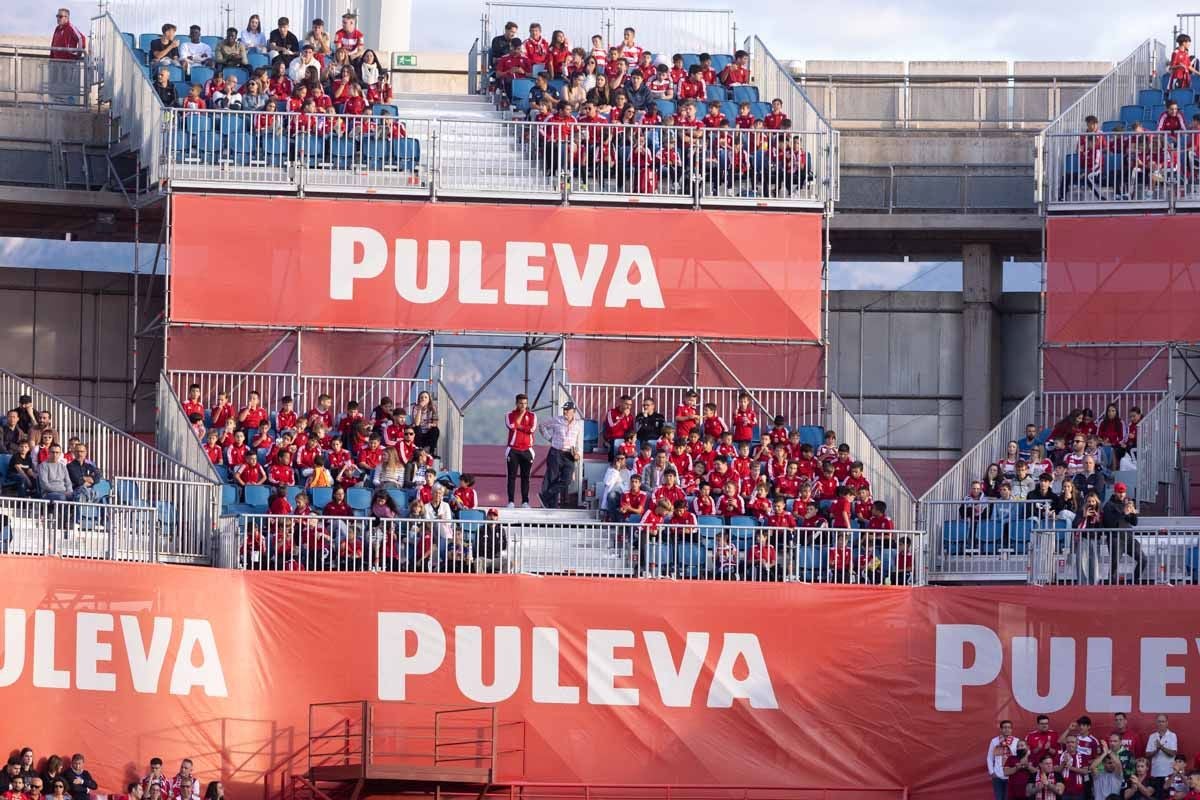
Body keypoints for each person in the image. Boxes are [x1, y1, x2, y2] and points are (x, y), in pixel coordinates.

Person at [539, 401, 584, 509]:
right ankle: (551, 505)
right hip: (556, 452)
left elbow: (579, 442)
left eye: (567, 410)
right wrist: (550, 438)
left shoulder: (578, 425)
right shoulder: (557, 420)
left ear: (573, 412)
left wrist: (578, 454)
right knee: (552, 478)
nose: (565, 411)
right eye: (564, 409)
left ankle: (545, 496)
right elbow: (542, 426)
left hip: (570, 454)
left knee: (567, 480)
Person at [504, 394, 537, 508]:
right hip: (513, 450)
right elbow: (512, 426)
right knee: (511, 476)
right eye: (521, 404)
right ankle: (511, 501)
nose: (523, 406)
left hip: (527, 450)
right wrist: (521, 416)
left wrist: (520, 426)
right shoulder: (509, 415)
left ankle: (525, 502)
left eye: (525, 404)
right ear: (517, 404)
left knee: (525, 477)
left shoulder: (532, 415)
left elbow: (532, 429)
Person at [1146, 715, 1179, 796]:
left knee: (1167, 796)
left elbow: (1173, 753)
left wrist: (1161, 747)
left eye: (1163, 721)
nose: (1161, 723)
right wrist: (1156, 750)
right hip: (1155, 773)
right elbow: (1147, 754)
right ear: (1156, 723)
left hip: (1168, 773)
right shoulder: (1152, 736)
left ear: (1167, 723)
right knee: (1156, 796)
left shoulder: (1172, 735)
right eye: (1159, 721)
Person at [988, 720, 1020, 800]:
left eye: (1009, 727)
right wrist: (992, 772)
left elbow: (1019, 757)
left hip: (1011, 775)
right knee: (999, 798)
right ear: (1001, 729)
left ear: (1012, 729)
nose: (1007, 729)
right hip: (997, 775)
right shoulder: (994, 741)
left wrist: (1006, 745)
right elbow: (990, 757)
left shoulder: (1016, 741)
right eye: (1005, 727)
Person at [410, 390, 439, 455]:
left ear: (429, 400)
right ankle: (418, 450)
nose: (423, 399)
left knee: (435, 430)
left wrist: (431, 424)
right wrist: (420, 408)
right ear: (419, 399)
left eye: (426, 397)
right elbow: (417, 423)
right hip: (419, 432)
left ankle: (432, 451)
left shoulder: (433, 408)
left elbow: (436, 422)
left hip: (428, 432)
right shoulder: (415, 408)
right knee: (416, 428)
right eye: (421, 397)